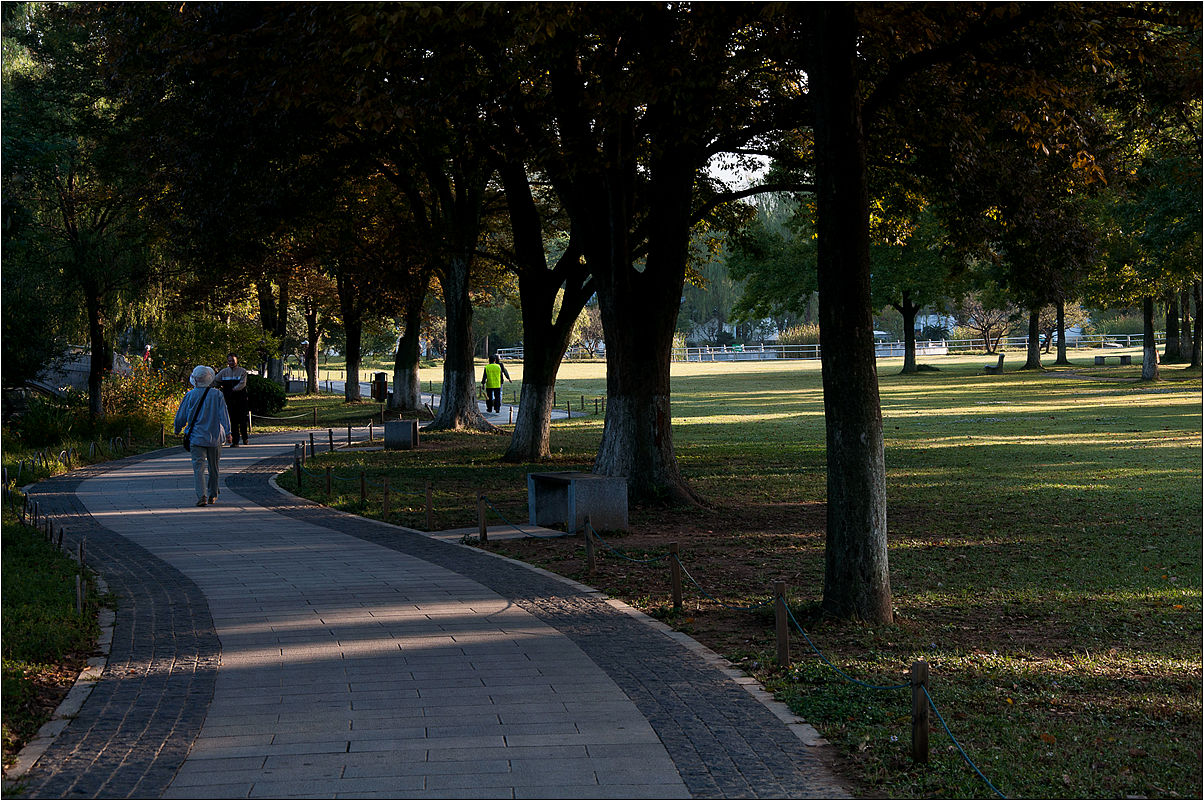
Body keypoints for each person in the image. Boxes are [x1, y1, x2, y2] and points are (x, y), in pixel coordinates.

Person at [174, 365, 232, 507]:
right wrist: (229, 432)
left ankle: (202, 495)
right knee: (214, 467)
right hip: (215, 436)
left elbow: (181, 415)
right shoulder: (217, 394)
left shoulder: (190, 395)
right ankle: (213, 494)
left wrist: (177, 428)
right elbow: (223, 415)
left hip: (196, 437)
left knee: (198, 468)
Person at [215, 353, 250, 446]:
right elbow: (215, 381)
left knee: (242, 420)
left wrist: (234, 389)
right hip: (229, 399)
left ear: (237, 361)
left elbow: (242, 383)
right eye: (229, 361)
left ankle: (245, 437)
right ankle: (235, 441)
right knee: (232, 419)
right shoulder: (224, 372)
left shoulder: (242, 371)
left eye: (233, 361)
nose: (231, 363)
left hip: (240, 398)